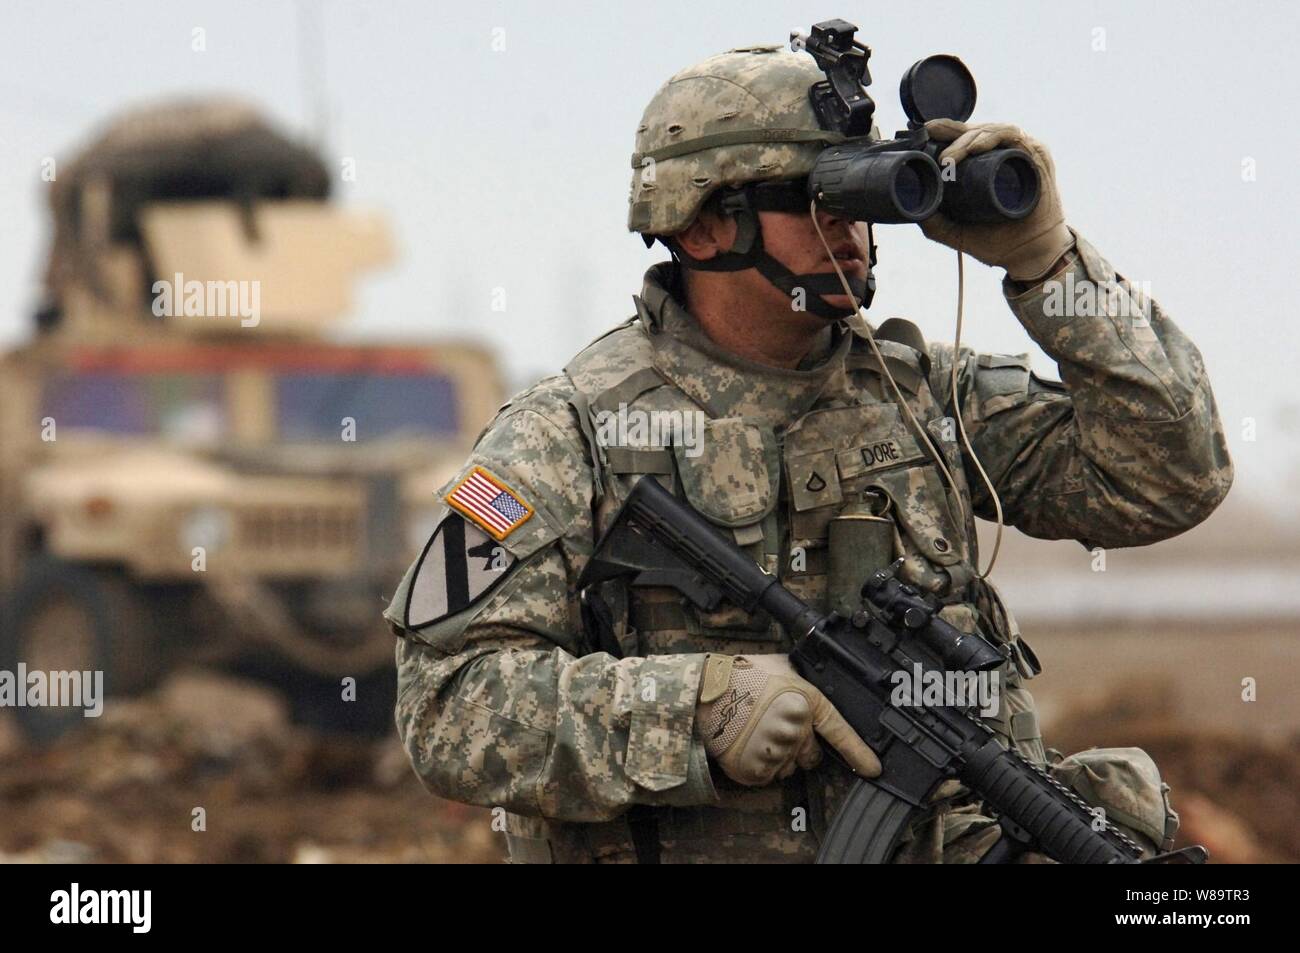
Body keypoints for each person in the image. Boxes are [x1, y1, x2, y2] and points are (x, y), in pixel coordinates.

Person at [385, 44, 1232, 863]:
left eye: (863, 197)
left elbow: (1170, 477)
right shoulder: (566, 433)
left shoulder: (924, 397)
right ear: (708, 222)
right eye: (816, 197)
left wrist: (1048, 264)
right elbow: (446, 704)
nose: (852, 228)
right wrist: (692, 708)